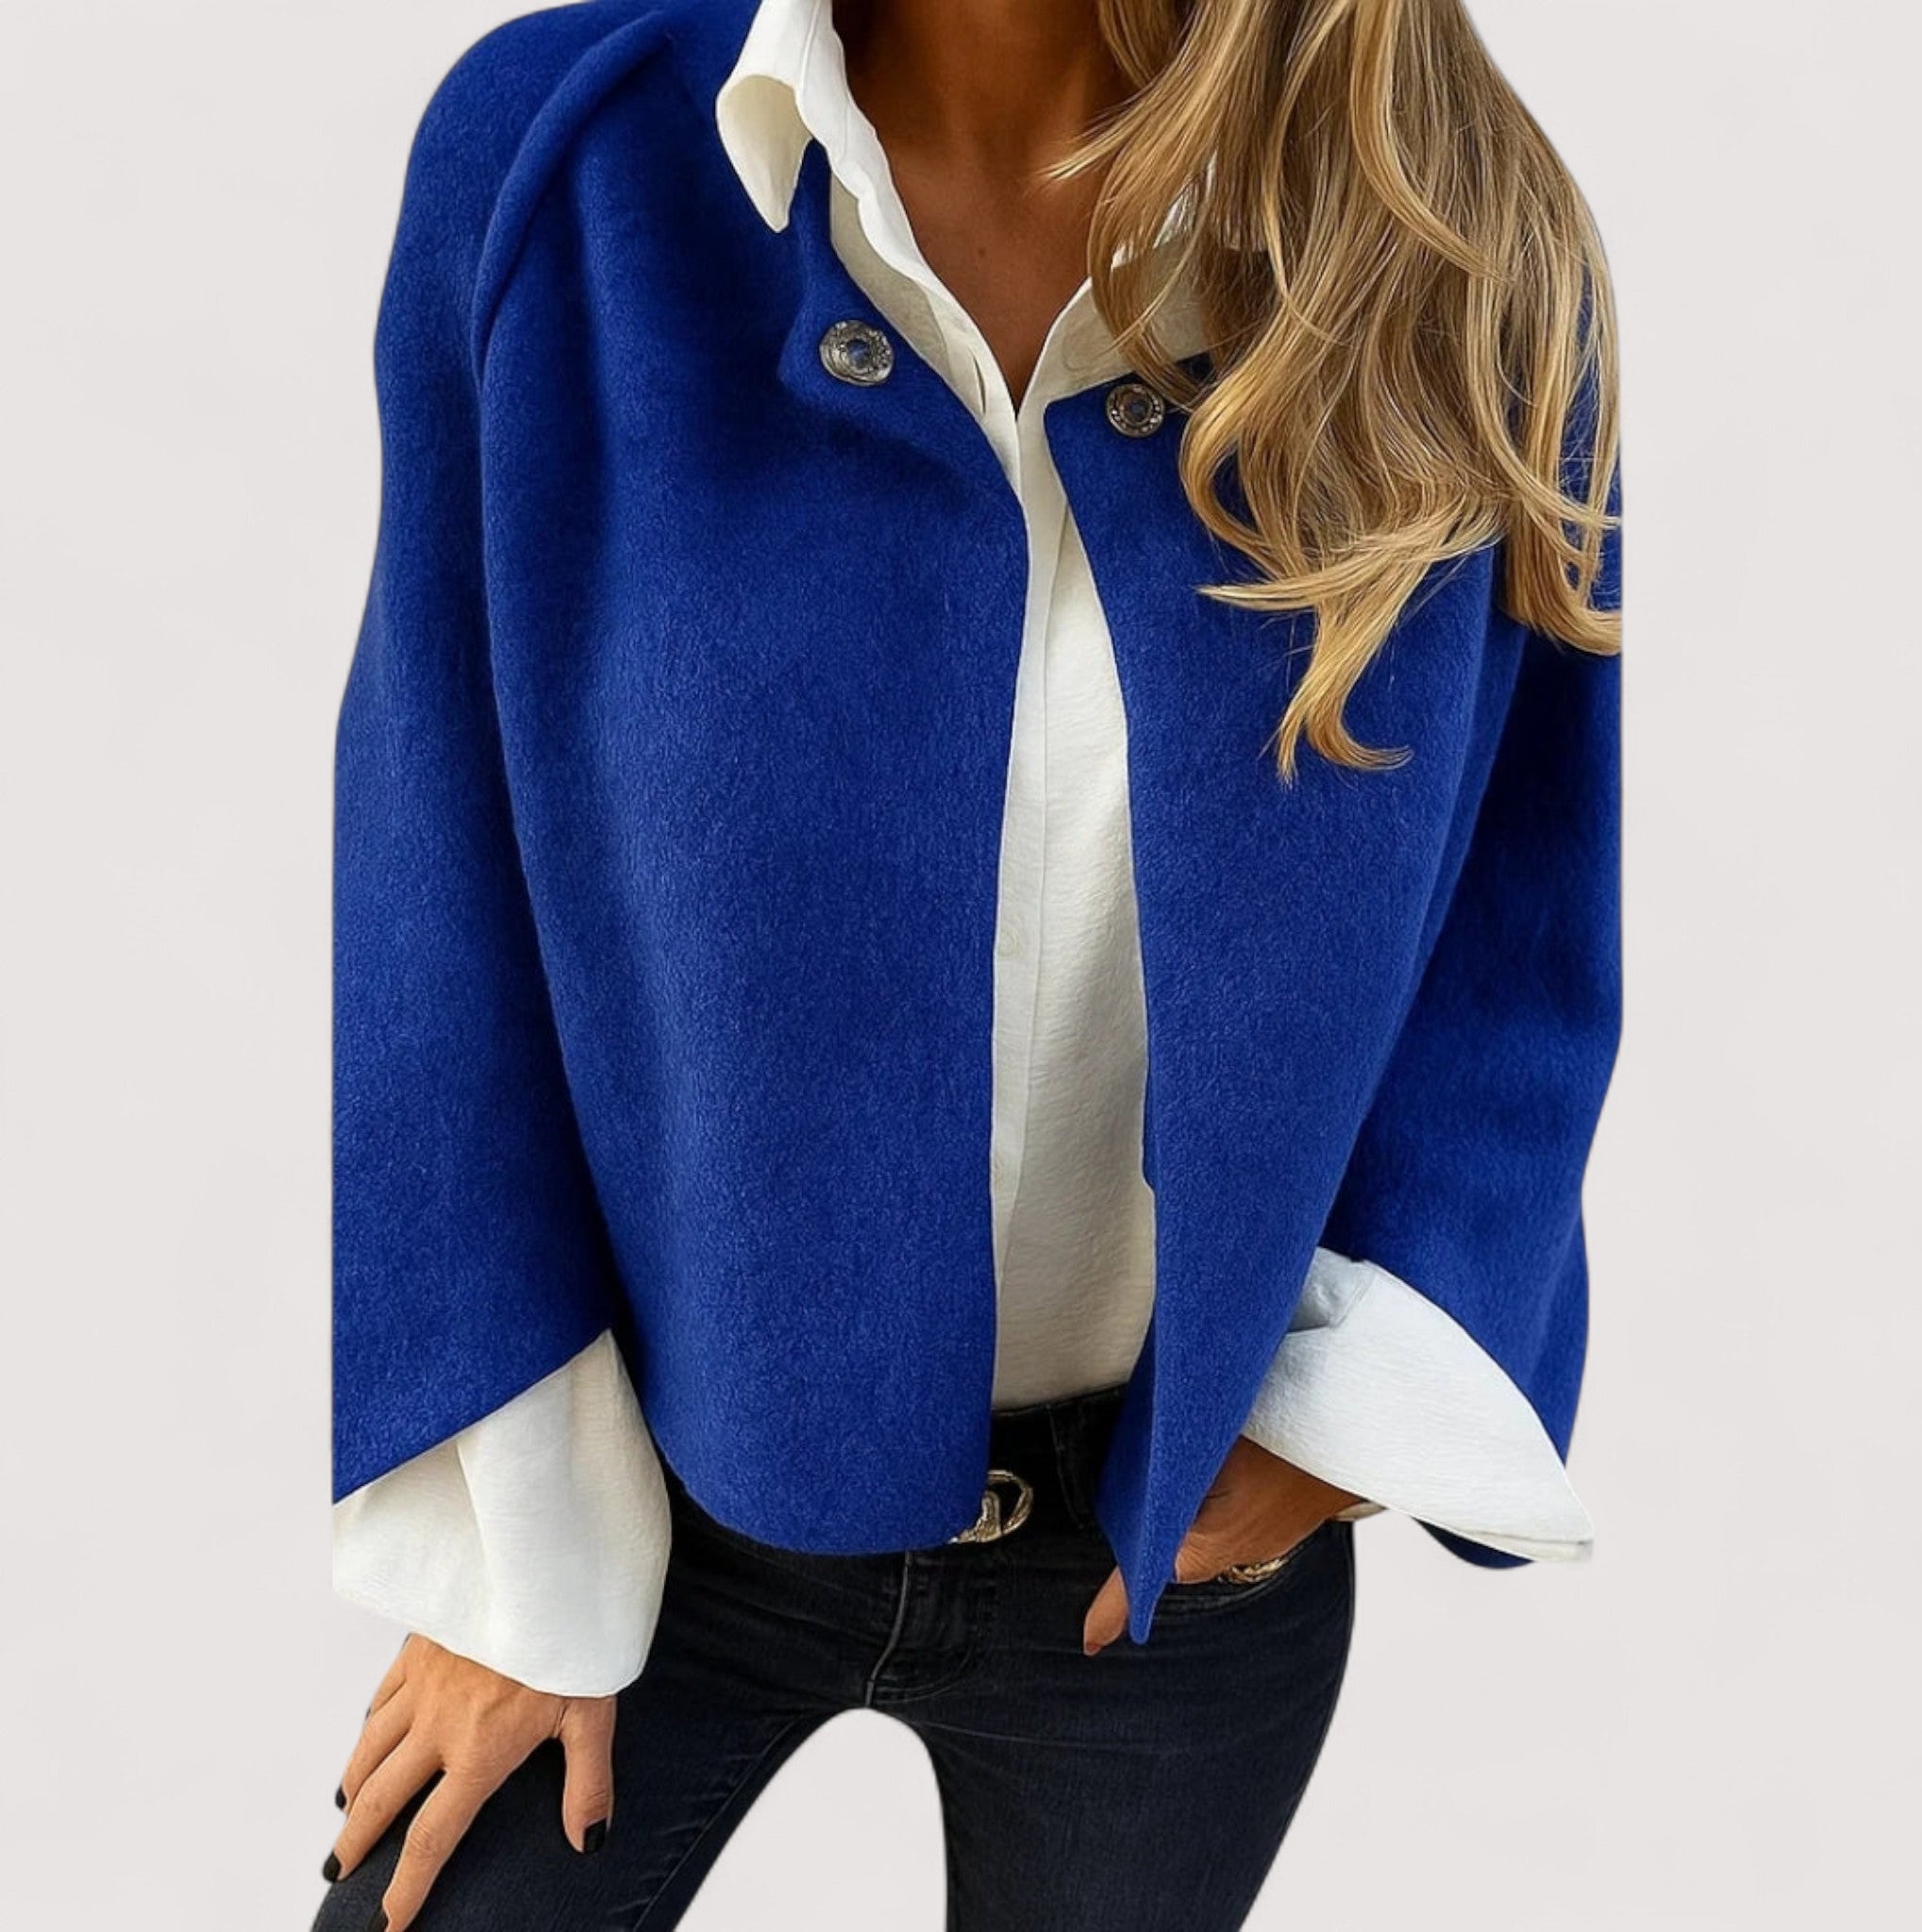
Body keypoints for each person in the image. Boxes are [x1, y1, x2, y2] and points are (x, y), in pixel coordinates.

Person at [315, 1, 1622, 1926]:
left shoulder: (1446, 235)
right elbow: (437, 864)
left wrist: (1344, 1413)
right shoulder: (561, 164)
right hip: (647, 1490)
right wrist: (519, 1563)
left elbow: (1525, 894)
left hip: (1160, 1566)